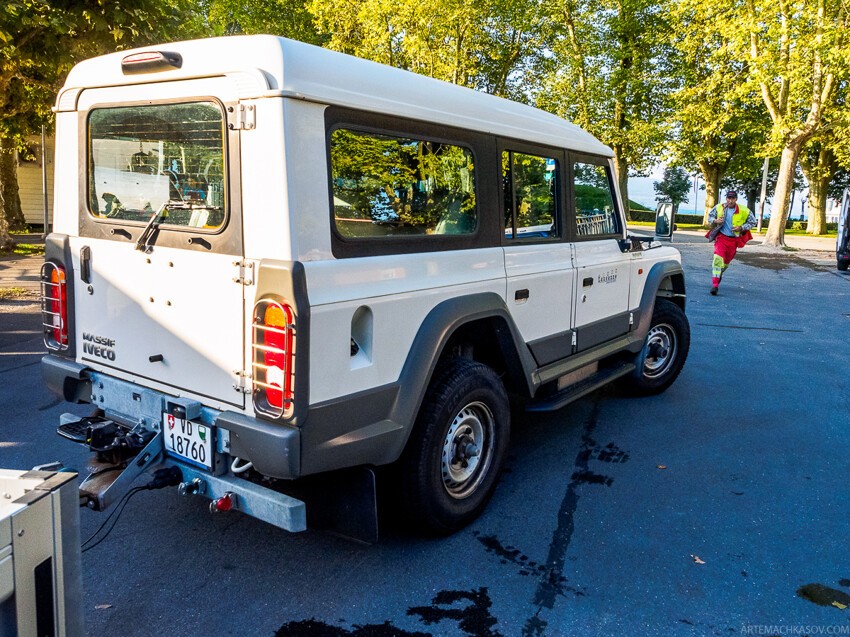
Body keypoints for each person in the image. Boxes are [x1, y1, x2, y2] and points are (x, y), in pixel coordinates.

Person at [706, 191, 755, 295]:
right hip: (721, 238)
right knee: (717, 259)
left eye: (732, 198)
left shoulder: (744, 210)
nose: (730, 200)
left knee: (725, 264)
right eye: (728, 198)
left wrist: (741, 227)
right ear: (726, 198)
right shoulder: (719, 207)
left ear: (736, 199)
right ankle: (715, 285)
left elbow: (753, 222)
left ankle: (719, 274)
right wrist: (715, 221)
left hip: (733, 241)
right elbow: (709, 217)